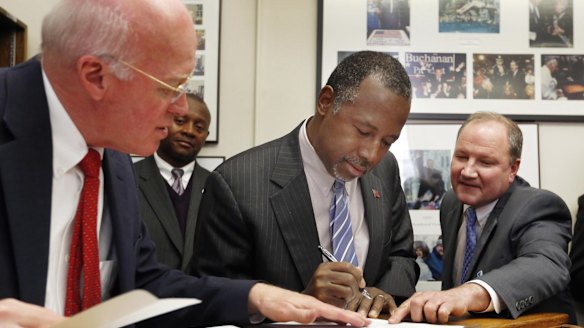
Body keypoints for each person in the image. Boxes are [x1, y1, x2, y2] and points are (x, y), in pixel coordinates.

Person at [0, 0, 371, 327]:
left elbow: (144, 284)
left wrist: (255, 296)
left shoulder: (110, 157)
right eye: (169, 87)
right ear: (96, 76)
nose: (181, 108)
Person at [192, 50, 418, 318]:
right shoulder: (237, 184)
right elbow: (211, 299)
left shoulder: (386, 169)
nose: (371, 154)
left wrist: (384, 292)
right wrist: (298, 301)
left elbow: (401, 255)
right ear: (325, 102)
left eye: (387, 141)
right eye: (364, 132)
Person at [389, 112, 575, 324]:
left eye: (485, 162)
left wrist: (467, 294)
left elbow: (546, 264)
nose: (467, 171)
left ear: (513, 169)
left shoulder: (538, 206)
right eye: (461, 157)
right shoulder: (452, 202)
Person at [134, 93, 211, 272]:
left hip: (204, 297)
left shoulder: (217, 186)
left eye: (199, 127)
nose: (189, 131)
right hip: (144, 296)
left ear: (206, 135)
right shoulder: (128, 179)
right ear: (163, 123)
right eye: (180, 121)